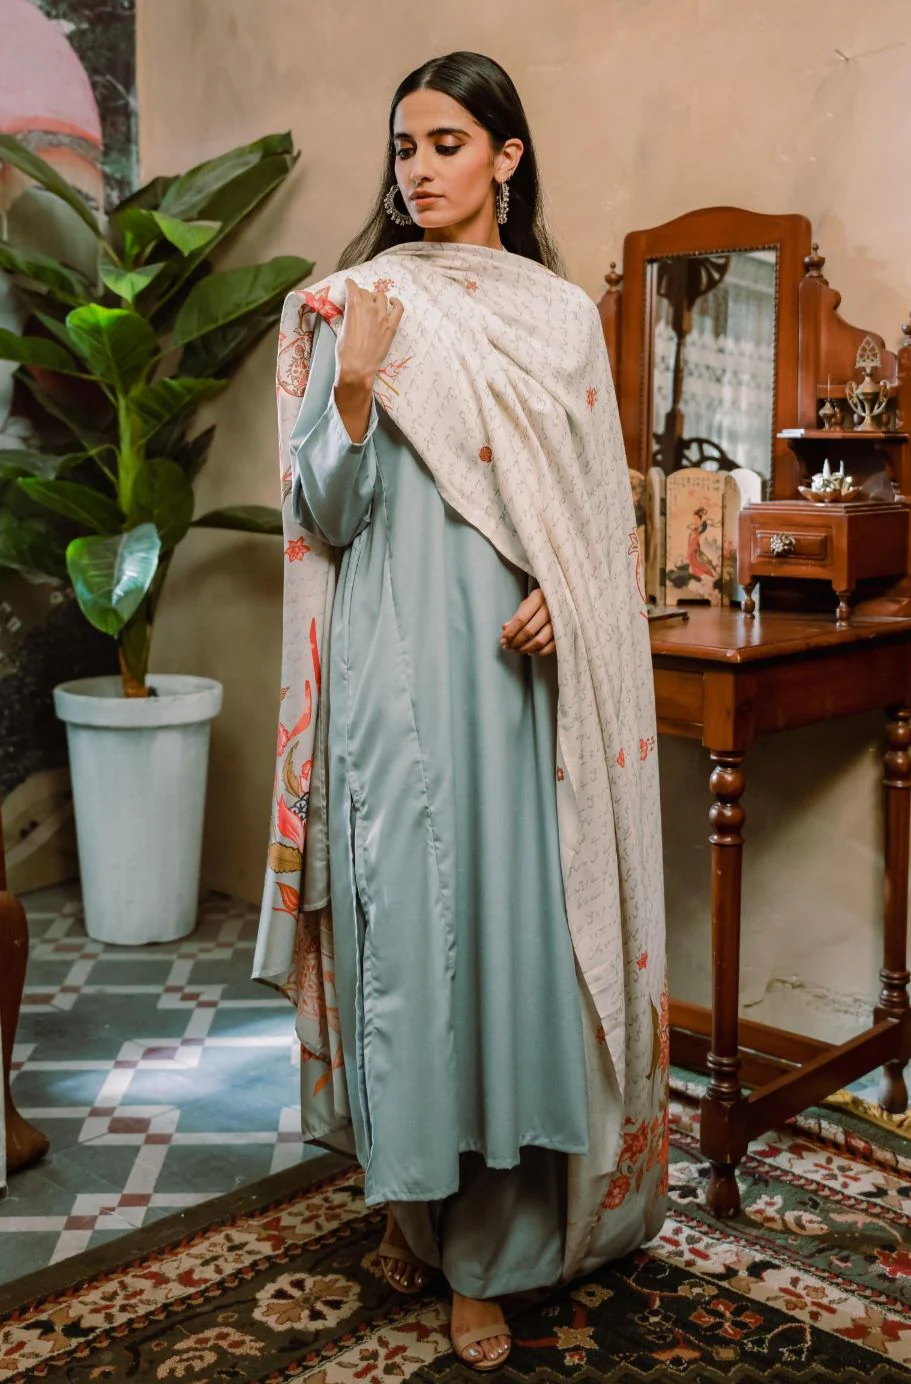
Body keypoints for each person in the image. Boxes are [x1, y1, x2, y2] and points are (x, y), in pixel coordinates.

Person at [254, 51, 667, 1373]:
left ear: (505, 156)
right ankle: (408, 1206)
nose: (419, 169)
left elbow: (593, 520)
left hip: (513, 685)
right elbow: (323, 516)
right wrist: (355, 386)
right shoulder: (354, 305)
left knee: (502, 951)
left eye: (446, 143)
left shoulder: (558, 320)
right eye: (404, 147)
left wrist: (567, 599)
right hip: (389, 678)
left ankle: (484, 1251)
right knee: (404, 951)